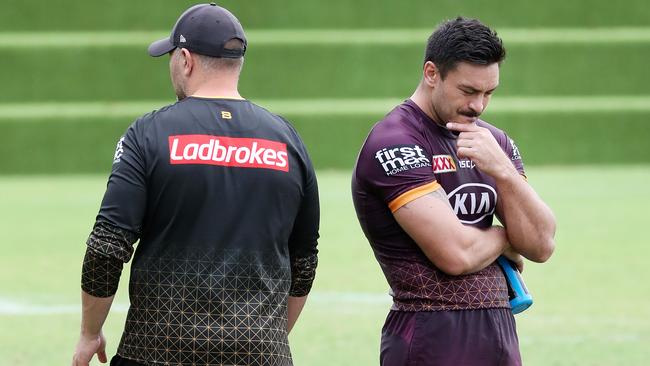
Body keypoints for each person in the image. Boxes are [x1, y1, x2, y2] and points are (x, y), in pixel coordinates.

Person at [71, 4, 319, 366]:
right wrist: (264, 340)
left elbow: (107, 246)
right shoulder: (289, 142)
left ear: (185, 59)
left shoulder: (147, 134)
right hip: (261, 351)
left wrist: (90, 332)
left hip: (155, 352)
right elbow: (305, 262)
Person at [351, 17, 556, 365]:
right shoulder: (396, 141)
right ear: (432, 73)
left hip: (500, 336)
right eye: (468, 91)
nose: (478, 105)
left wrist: (503, 171)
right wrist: (506, 238)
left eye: (489, 93)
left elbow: (541, 244)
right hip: (429, 337)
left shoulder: (493, 142)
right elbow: (455, 255)